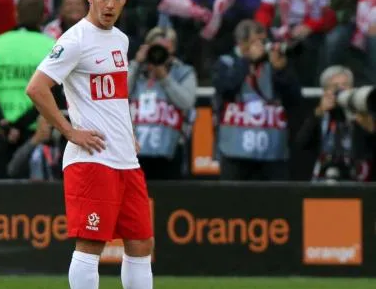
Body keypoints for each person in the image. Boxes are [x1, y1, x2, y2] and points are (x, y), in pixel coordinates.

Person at [25, 0, 188, 289]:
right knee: (91, 243)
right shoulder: (75, 39)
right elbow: (37, 88)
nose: (109, 4)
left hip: (124, 158)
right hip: (91, 159)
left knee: (141, 241)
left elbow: (116, 98)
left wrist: (128, 134)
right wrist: (70, 131)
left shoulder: (120, 40)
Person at [213, 19, 302, 181]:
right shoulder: (226, 62)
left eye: (264, 40)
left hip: (272, 151)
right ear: (242, 42)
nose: (263, 45)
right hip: (234, 150)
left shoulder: (275, 63)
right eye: (257, 41)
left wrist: (280, 70)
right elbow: (226, 89)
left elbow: (294, 99)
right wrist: (247, 60)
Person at [0, 0, 53, 177]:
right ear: (43, 16)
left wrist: (4, 123)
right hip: (35, 130)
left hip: (1, 130)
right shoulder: (51, 45)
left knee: (2, 195)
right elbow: (54, 94)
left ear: (16, 14)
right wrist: (20, 125)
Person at [128, 27, 198, 180]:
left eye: (165, 49)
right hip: (134, 152)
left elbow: (186, 102)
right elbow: (119, 94)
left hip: (169, 150)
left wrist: (165, 78)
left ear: (173, 50)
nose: (159, 54)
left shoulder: (184, 72)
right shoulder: (136, 70)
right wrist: (135, 63)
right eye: (156, 48)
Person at [298, 65, 376, 182]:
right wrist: (319, 112)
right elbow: (301, 143)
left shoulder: (361, 112)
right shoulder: (317, 113)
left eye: (345, 85)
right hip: (322, 180)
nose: (341, 90)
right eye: (335, 87)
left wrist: (369, 126)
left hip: (357, 181)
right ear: (325, 91)